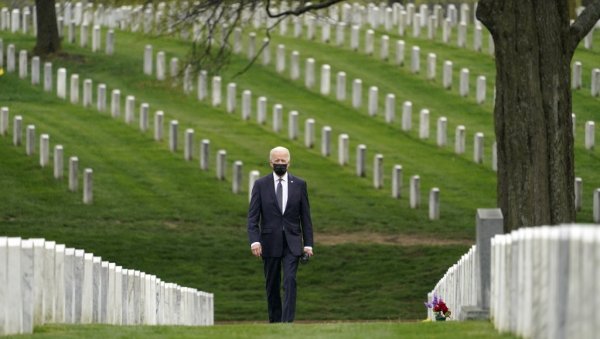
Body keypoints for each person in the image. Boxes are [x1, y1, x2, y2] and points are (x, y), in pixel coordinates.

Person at [247, 146, 314, 323]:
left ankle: (287, 322)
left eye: (283, 161)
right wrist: (254, 241)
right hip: (269, 241)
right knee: (272, 284)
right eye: (277, 161)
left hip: (292, 242)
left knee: (290, 280)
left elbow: (305, 217)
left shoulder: (299, 184)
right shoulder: (260, 185)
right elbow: (253, 217)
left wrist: (308, 245)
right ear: (270, 163)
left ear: (289, 162)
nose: (280, 164)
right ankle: (275, 322)